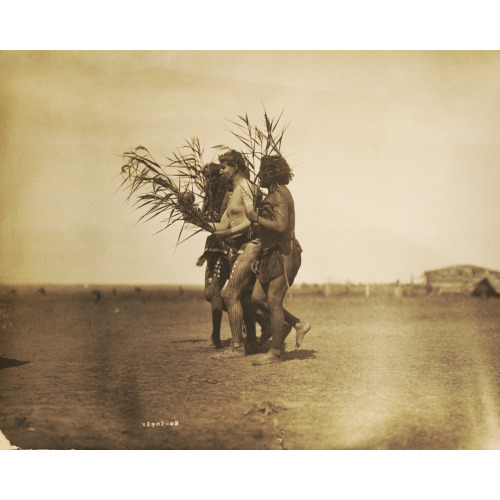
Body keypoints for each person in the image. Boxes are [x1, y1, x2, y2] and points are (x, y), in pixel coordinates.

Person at [249, 155, 311, 365]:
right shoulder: (274, 194)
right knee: (258, 298)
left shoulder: (280, 195)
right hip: (271, 252)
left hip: (284, 252)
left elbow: (282, 227)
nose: (260, 176)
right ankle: (296, 324)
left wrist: (256, 218)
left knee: (274, 300)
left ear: (271, 173)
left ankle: (275, 353)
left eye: (262, 171)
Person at [211, 150, 261, 358]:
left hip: (251, 245)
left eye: (223, 167)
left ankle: (237, 347)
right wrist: (192, 217)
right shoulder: (234, 193)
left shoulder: (246, 188)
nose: (220, 171)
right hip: (241, 248)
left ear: (235, 167)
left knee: (229, 294)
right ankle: (244, 343)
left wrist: (229, 232)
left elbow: (253, 219)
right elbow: (221, 224)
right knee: (238, 296)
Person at [195, 163, 232, 348]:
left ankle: (215, 338)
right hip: (213, 246)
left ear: (219, 177)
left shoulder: (228, 195)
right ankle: (251, 317)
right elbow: (205, 220)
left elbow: (224, 223)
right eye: (206, 177)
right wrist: (190, 212)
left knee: (214, 292)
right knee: (209, 294)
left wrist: (202, 219)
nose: (208, 181)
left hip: (226, 246)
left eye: (211, 177)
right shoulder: (209, 196)